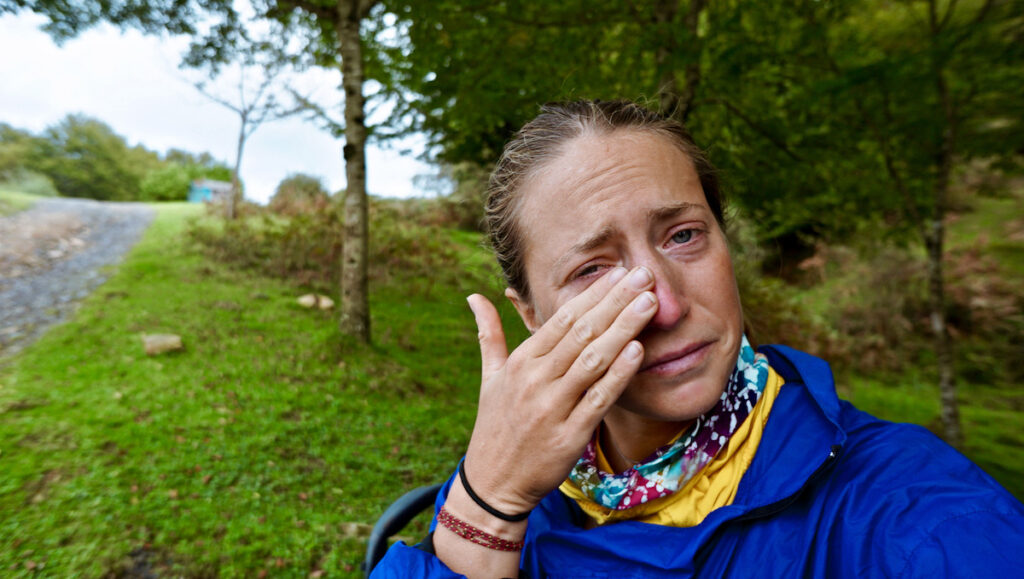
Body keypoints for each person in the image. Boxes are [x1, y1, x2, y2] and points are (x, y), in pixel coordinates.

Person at [371, 100, 1024, 577]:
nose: (667, 304)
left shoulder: (911, 517)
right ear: (533, 318)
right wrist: (487, 509)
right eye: (593, 269)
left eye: (683, 235)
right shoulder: (507, 492)